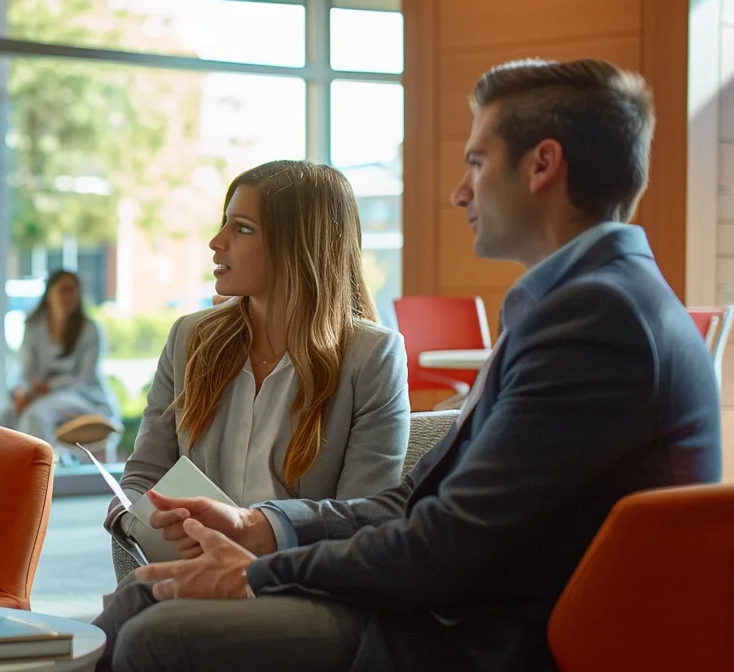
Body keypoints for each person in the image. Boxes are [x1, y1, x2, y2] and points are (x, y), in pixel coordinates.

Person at [90, 58, 722, 672]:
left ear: (542, 165)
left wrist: (255, 571)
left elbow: (444, 545)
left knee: (160, 634)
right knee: (144, 598)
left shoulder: (596, 320)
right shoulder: (580, 302)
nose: (459, 191)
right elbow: (415, 502)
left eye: (477, 162)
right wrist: (261, 526)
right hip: (446, 606)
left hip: (476, 637)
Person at [102, 160, 409, 548]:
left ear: (298, 246)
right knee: (135, 600)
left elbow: (364, 514)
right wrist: (142, 522)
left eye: (242, 228)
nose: (217, 241)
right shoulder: (190, 338)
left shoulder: (372, 357)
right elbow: (141, 477)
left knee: (134, 607)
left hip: (296, 584)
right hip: (191, 574)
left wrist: (257, 531)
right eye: (225, 222)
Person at [0, 270, 119, 465]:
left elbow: (84, 378)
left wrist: (47, 388)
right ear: (49, 293)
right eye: (63, 290)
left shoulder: (89, 329)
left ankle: (40, 479)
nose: (69, 296)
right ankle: (6, 475)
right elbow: (25, 368)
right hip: (40, 395)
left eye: (73, 290)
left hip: (83, 397)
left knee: (36, 415)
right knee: (3, 419)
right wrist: (23, 392)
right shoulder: (34, 326)